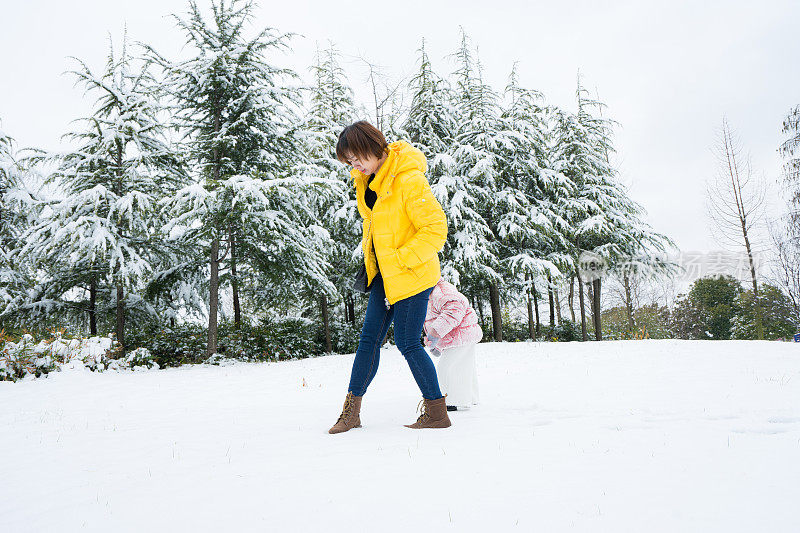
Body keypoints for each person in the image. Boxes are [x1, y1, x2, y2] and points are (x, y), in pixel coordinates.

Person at [328, 121, 451, 433]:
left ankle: (437, 412)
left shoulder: (408, 179)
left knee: (409, 343)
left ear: (374, 148)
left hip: (411, 275)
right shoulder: (368, 181)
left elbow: (435, 230)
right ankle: (351, 412)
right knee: (368, 341)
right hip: (384, 275)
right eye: (349, 161)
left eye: (357, 158)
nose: (354, 166)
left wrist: (399, 259)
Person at [423, 278, 482, 411]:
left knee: (447, 368)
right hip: (460, 335)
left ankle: (451, 400)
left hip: (461, 334)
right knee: (464, 366)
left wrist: (435, 333)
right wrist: (436, 343)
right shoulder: (430, 293)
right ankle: (470, 397)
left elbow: (455, 309)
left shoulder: (441, 291)